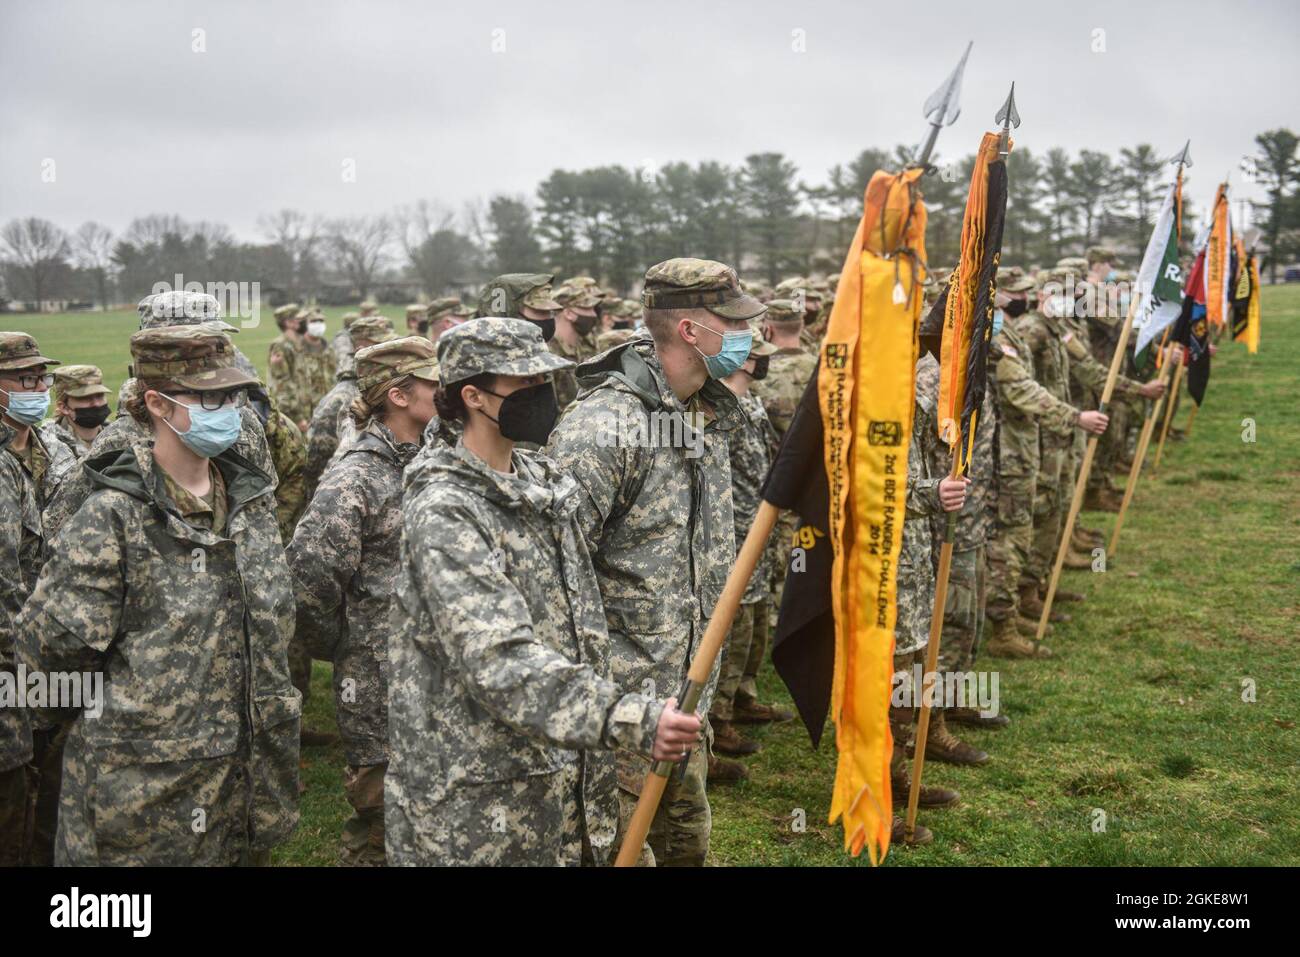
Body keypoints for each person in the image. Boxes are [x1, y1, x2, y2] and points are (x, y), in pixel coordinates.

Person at [386, 318, 699, 866]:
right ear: (474, 396)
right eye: (526, 386)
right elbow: (499, 660)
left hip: (566, 774)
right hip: (482, 799)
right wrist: (628, 718)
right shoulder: (447, 510)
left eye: (547, 381)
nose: (545, 397)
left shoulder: (543, 484)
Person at [17, 325, 300, 865]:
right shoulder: (113, 515)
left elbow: (274, 626)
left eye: (232, 395)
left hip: (246, 790)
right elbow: (52, 656)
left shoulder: (250, 503)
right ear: (158, 404)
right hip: (146, 800)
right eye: (207, 397)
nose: (227, 410)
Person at [548, 257, 758, 866]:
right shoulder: (605, 425)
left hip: (686, 698)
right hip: (618, 713)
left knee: (686, 850)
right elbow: (554, 574)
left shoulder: (704, 412)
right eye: (732, 322)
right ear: (693, 331)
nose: (745, 338)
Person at [288, 336, 437, 866]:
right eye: (432, 382)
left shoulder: (431, 457)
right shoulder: (357, 475)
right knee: (379, 820)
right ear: (398, 395)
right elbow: (307, 579)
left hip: (430, 675)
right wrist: (346, 643)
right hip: (377, 680)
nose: (444, 390)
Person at [709, 327, 791, 780]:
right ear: (742, 359)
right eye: (759, 355)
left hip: (759, 527)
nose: (765, 362)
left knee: (757, 620)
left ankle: (743, 694)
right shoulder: (719, 408)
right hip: (735, 531)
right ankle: (718, 719)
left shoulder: (751, 403)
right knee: (736, 624)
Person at [0, 332, 66, 866]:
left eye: (41, 377)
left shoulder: (46, 446)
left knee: (47, 782)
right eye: (25, 379)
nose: (38, 387)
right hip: (11, 662)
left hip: (46, 648)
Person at [302, 315, 396, 499]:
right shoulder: (339, 400)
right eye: (383, 347)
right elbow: (315, 465)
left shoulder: (389, 390)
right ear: (361, 349)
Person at [48, 365, 111, 459]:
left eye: (99, 396)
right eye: (85, 398)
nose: (96, 404)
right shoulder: (49, 445)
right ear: (64, 407)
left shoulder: (119, 434)